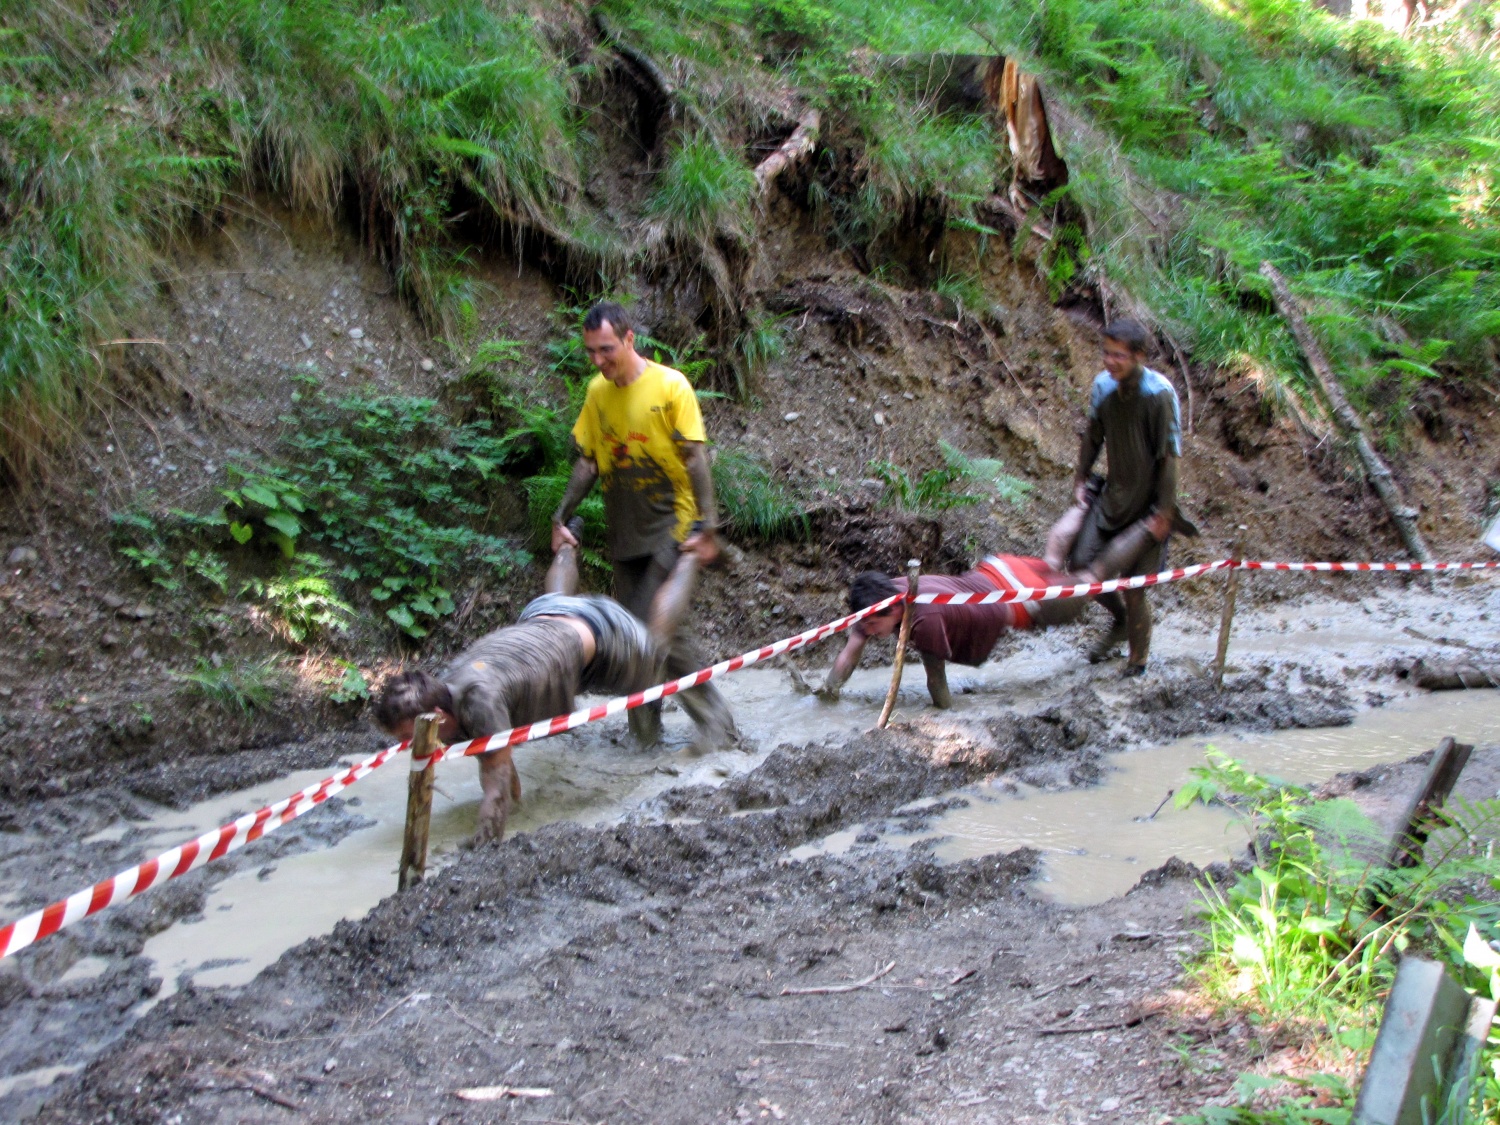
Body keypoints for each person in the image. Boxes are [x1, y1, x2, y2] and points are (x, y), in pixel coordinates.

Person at [372, 525, 700, 844]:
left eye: (406, 737)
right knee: (556, 598)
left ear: (438, 716)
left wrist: (481, 851)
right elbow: (496, 761)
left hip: (607, 634)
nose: (408, 746)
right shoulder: (445, 690)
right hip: (545, 613)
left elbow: (497, 783)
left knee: (657, 652)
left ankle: (691, 552)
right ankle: (568, 539)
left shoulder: (477, 701)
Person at [550, 301, 736, 753]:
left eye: (607, 349)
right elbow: (590, 460)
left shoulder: (671, 386)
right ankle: (646, 736)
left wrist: (706, 527)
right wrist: (560, 515)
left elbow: (695, 456)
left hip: (672, 524)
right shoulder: (598, 392)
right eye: (591, 351)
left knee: (653, 636)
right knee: (636, 632)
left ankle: (715, 725)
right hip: (624, 532)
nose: (598, 360)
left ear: (630, 338)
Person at [815, 535, 1154, 708]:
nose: (869, 633)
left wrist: (949, 718)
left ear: (892, 612)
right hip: (997, 568)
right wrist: (827, 693)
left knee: (1092, 579)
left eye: (873, 626)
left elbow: (938, 687)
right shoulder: (888, 593)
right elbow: (852, 648)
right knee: (1056, 563)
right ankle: (1087, 502)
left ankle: (1150, 526)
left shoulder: (924, 622)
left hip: (1021, 599)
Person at [1063, 319, 1181, 676]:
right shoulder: (1103, 387)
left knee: (1134, 587)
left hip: (1149, 505)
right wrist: (1081, 476)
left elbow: (1170, 457)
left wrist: (1164, 511)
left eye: (1119, 356)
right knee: (1081, 566)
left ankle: (1138, 662)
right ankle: (1120, 621)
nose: (1110, 362)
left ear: (1139, 357)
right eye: (1106, 353)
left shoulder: (1160, 395)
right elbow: (1093, 434)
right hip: (1112, 498)